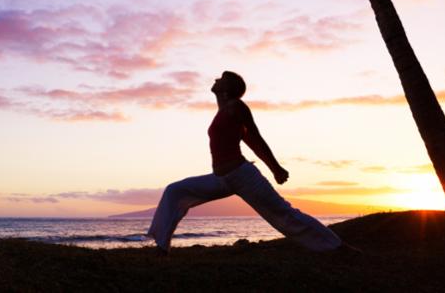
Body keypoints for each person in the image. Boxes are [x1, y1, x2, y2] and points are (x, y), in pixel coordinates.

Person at [147, 70, 344, 254]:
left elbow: (255, 139)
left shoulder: (236, 106)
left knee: (284, 214)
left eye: (222, 78)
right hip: (221, 178)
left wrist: (275, 168)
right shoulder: (223, 110)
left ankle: (336, 246)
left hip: (243, 176)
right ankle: (162, 246)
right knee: (175, 190)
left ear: (227, 88)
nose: (216, 79)